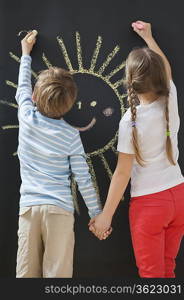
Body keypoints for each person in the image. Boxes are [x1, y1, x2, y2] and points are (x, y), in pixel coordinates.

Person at [89, 21, 184, 278]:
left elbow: (122, 173)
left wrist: (105, 217)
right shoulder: (170, 100)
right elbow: (166, 69)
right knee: (168, 269)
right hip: (178, 195)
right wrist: (149, 38)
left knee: (152, 275)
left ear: (130, 82)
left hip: (150, 205)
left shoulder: (130, 121)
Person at [16, 31, 108, 278]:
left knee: (26, 276)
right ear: (69, 106)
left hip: (29, 209)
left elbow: (22, 88)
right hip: (59, 210)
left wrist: (26, 54)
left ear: (34, 98)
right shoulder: (71, 136)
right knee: (58, 278)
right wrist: (96, 215)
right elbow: (83, 178)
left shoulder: (26, 118)